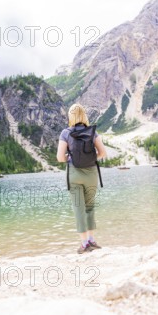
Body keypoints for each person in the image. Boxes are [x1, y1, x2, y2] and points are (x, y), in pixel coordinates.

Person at [57, 104, 108, 254]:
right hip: (91, 173)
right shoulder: (92, 132)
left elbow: (60, 157)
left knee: (78, 208)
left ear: (70, 116)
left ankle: (84, 243)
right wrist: (91, 159)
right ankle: (92, 240)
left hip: (74, 174)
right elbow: (103, 153)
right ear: (84, 115)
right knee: (90, 206)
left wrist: (71, 158)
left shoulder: (65, 133)